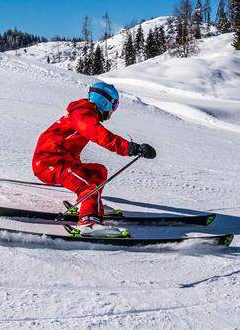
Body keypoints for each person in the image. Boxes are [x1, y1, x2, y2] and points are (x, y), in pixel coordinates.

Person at [32, 82, 156, 237]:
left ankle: (88, 206)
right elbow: (100, 135)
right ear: (104, 102)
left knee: (98, 171)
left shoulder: (85, 113)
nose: (113, 111)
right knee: (89, 187)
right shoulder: (83, 115)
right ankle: (88, 223)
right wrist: (131, 148)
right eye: (114, 106)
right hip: (50, 163)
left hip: (60, 161)